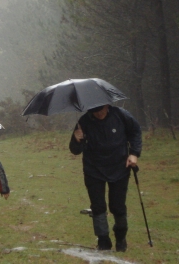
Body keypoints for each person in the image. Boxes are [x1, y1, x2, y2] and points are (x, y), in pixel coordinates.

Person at [69, 104, 142, 252]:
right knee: (98, 206)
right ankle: (103, 241)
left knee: (118, 206)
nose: (99, 113)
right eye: (95, 111)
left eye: (101, 110)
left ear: (107, 105)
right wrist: (77, 140)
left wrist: (134, 153)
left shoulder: (121, 115)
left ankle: (121, 238)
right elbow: (75, 150)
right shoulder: (84, 121)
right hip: (93, 169)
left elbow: (135, 132)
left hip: (119, 167)